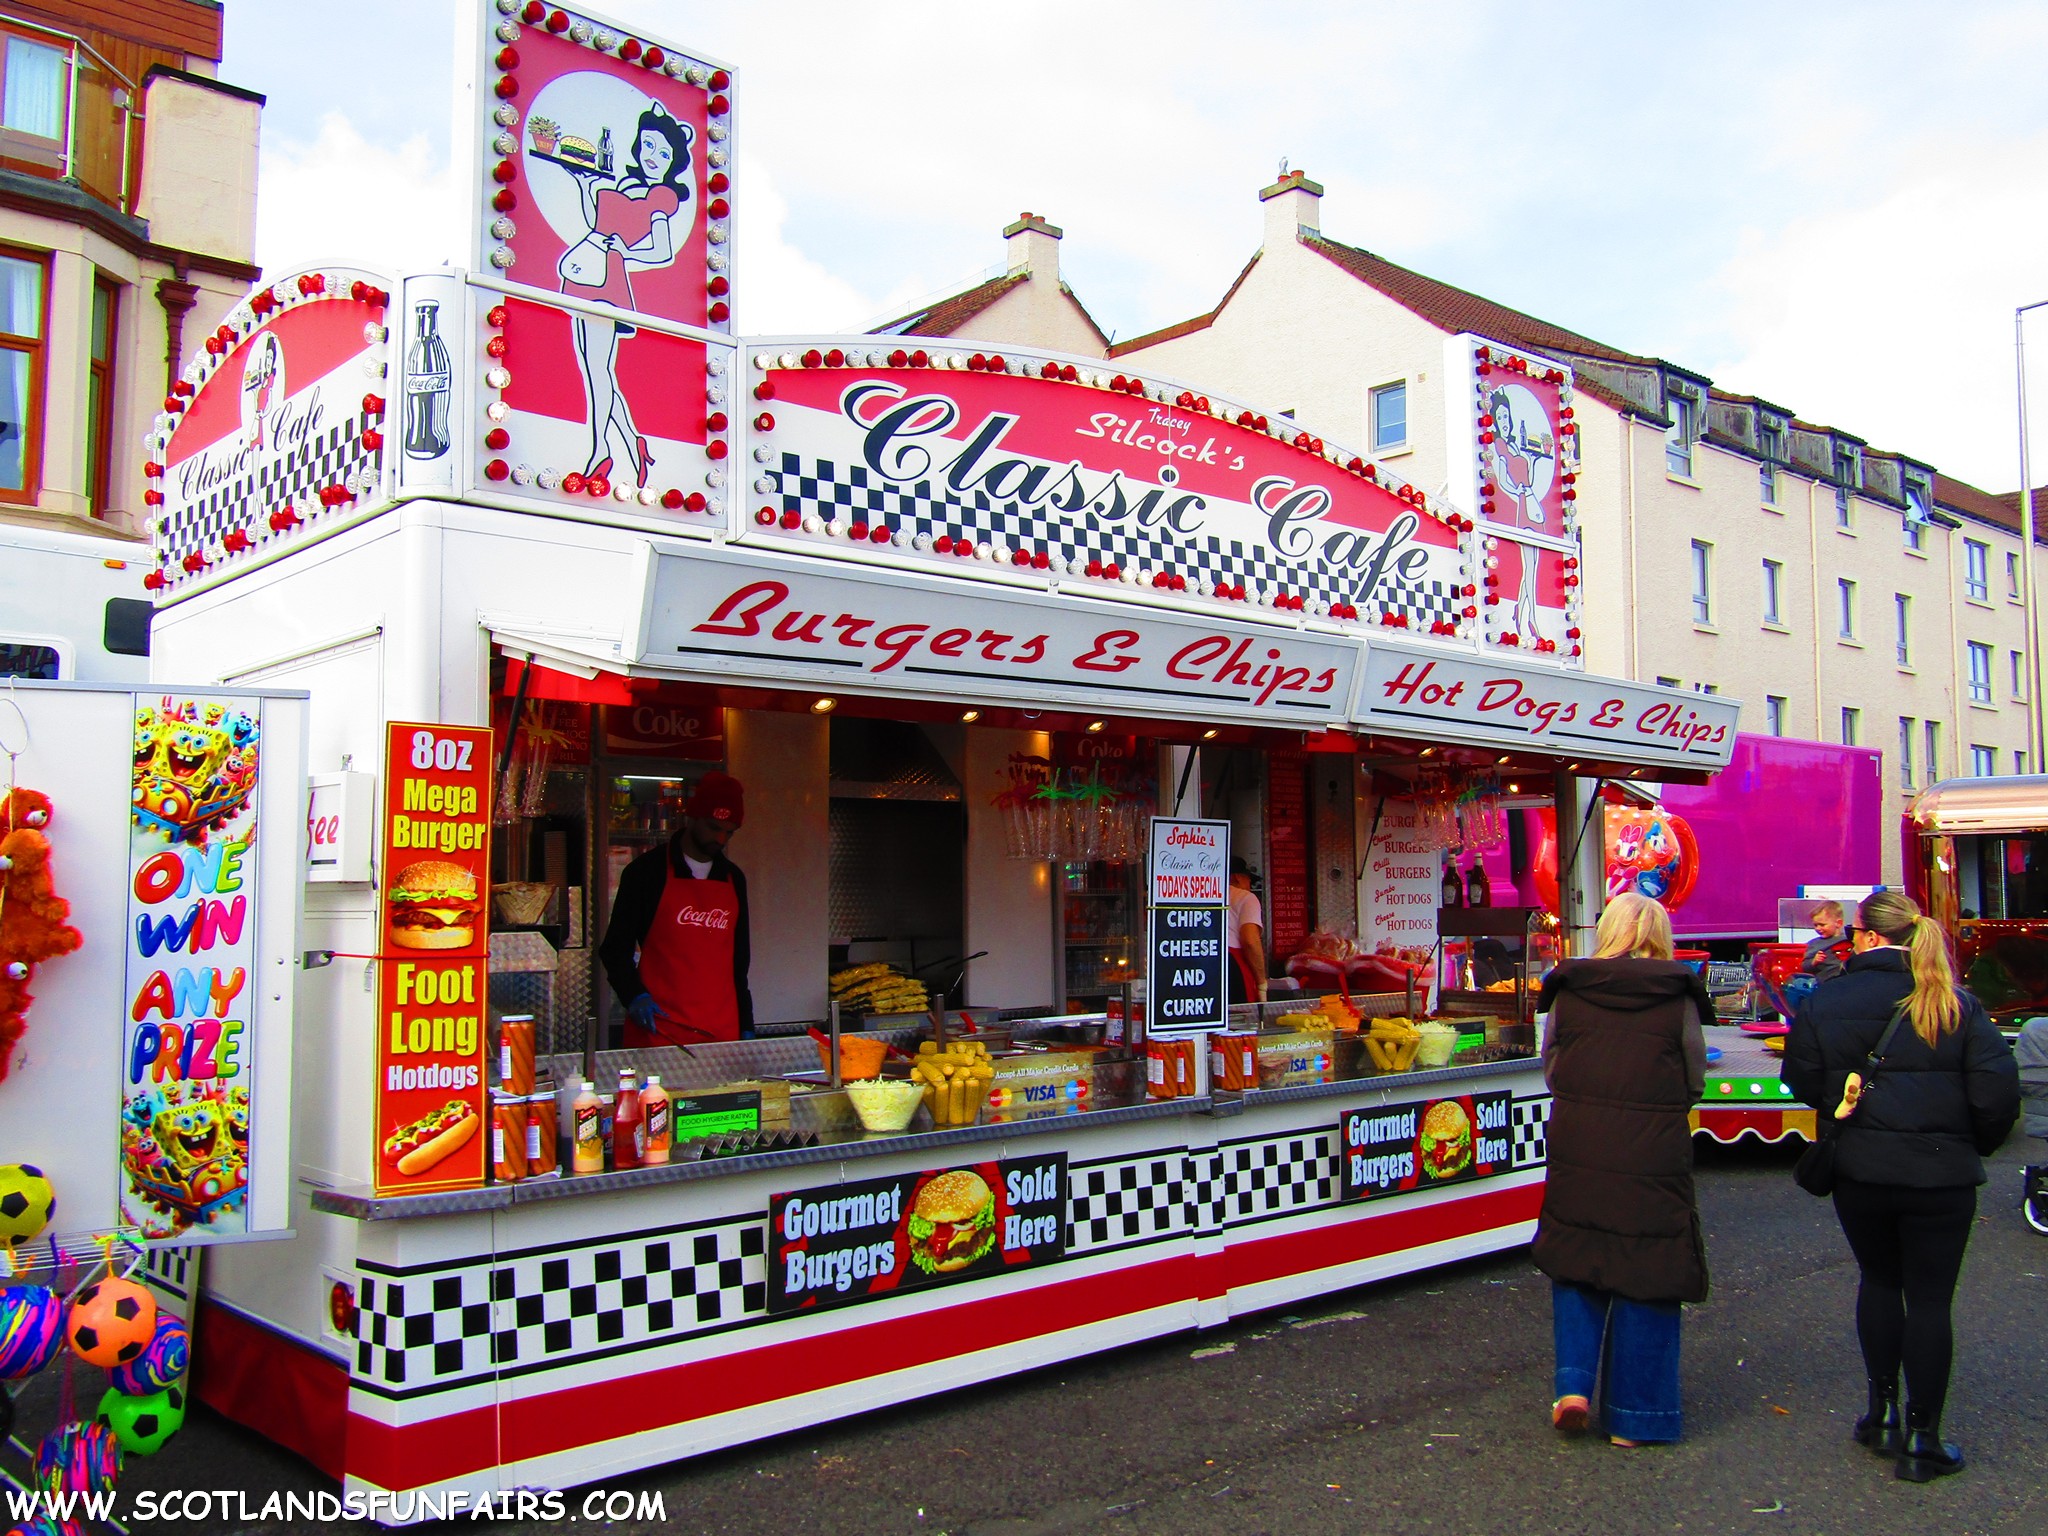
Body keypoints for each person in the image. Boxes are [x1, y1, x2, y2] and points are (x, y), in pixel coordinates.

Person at [1782, 890, 2018, 1481]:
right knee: (1932, 1300)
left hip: (1860, 1167)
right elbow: (1996, 1098)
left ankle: (1880, 1412)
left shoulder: (1825, 1001)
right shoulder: (1955, 1003)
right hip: (1941, 1173)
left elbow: (1805, 1083)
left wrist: (1849, 1103)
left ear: (1862, 935)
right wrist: (1971, 1144)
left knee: (1880, 1281)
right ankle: (1924, 1437)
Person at [1533, 892, 1710, 1448]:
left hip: (1579, 1139)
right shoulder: (1677, 994)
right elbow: (1694, 1077)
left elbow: (1552, 1067)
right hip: (1652, 1151)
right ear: (1660, 935)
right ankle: (1636, 1417)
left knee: (1577, 1253)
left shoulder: (1570, 989)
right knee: (1649, 1265)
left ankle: (1574, 1388)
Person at [555, 103, 693, 487]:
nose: (653, 157)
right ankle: (635, 443)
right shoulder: (623, 185)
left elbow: (663, 251)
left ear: (673, 163)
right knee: (592, 368)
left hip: (608, 279)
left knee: (598, 369)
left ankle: (602, 451)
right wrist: (585, 186)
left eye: (664, 153)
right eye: (649, 146)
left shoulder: (661, 197)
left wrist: (626, 251)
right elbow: (594, 221)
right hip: (585, 268)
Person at [599, 771, 754, 1045]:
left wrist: (746, 1024)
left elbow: (739, 963)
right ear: (691, 817)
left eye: (729, 832)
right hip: (660, 1030)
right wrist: (633, 995)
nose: (720, 839)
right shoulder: (646, 872)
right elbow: (614, 950)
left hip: (721, 1031)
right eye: (713, 827)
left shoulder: (734, 878)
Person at [1226, 855, 1266, 1006]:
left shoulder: (1203, 895)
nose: (1250, 884)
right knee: (1241, 1019)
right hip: (1233, 967)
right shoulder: (1245, 897)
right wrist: (1262, 984)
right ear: (1237, 878)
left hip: (1204, 965)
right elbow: (1250, 941)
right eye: (1249, 879)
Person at [1800, 900, 1849, 979]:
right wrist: (1814, 961)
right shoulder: (1814, 944)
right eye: (1815, 925)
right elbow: (1804, 966)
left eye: (1822, 925)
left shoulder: (1848, 940)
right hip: (1824, 979)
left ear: (1838, 923)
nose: (1818, 928)